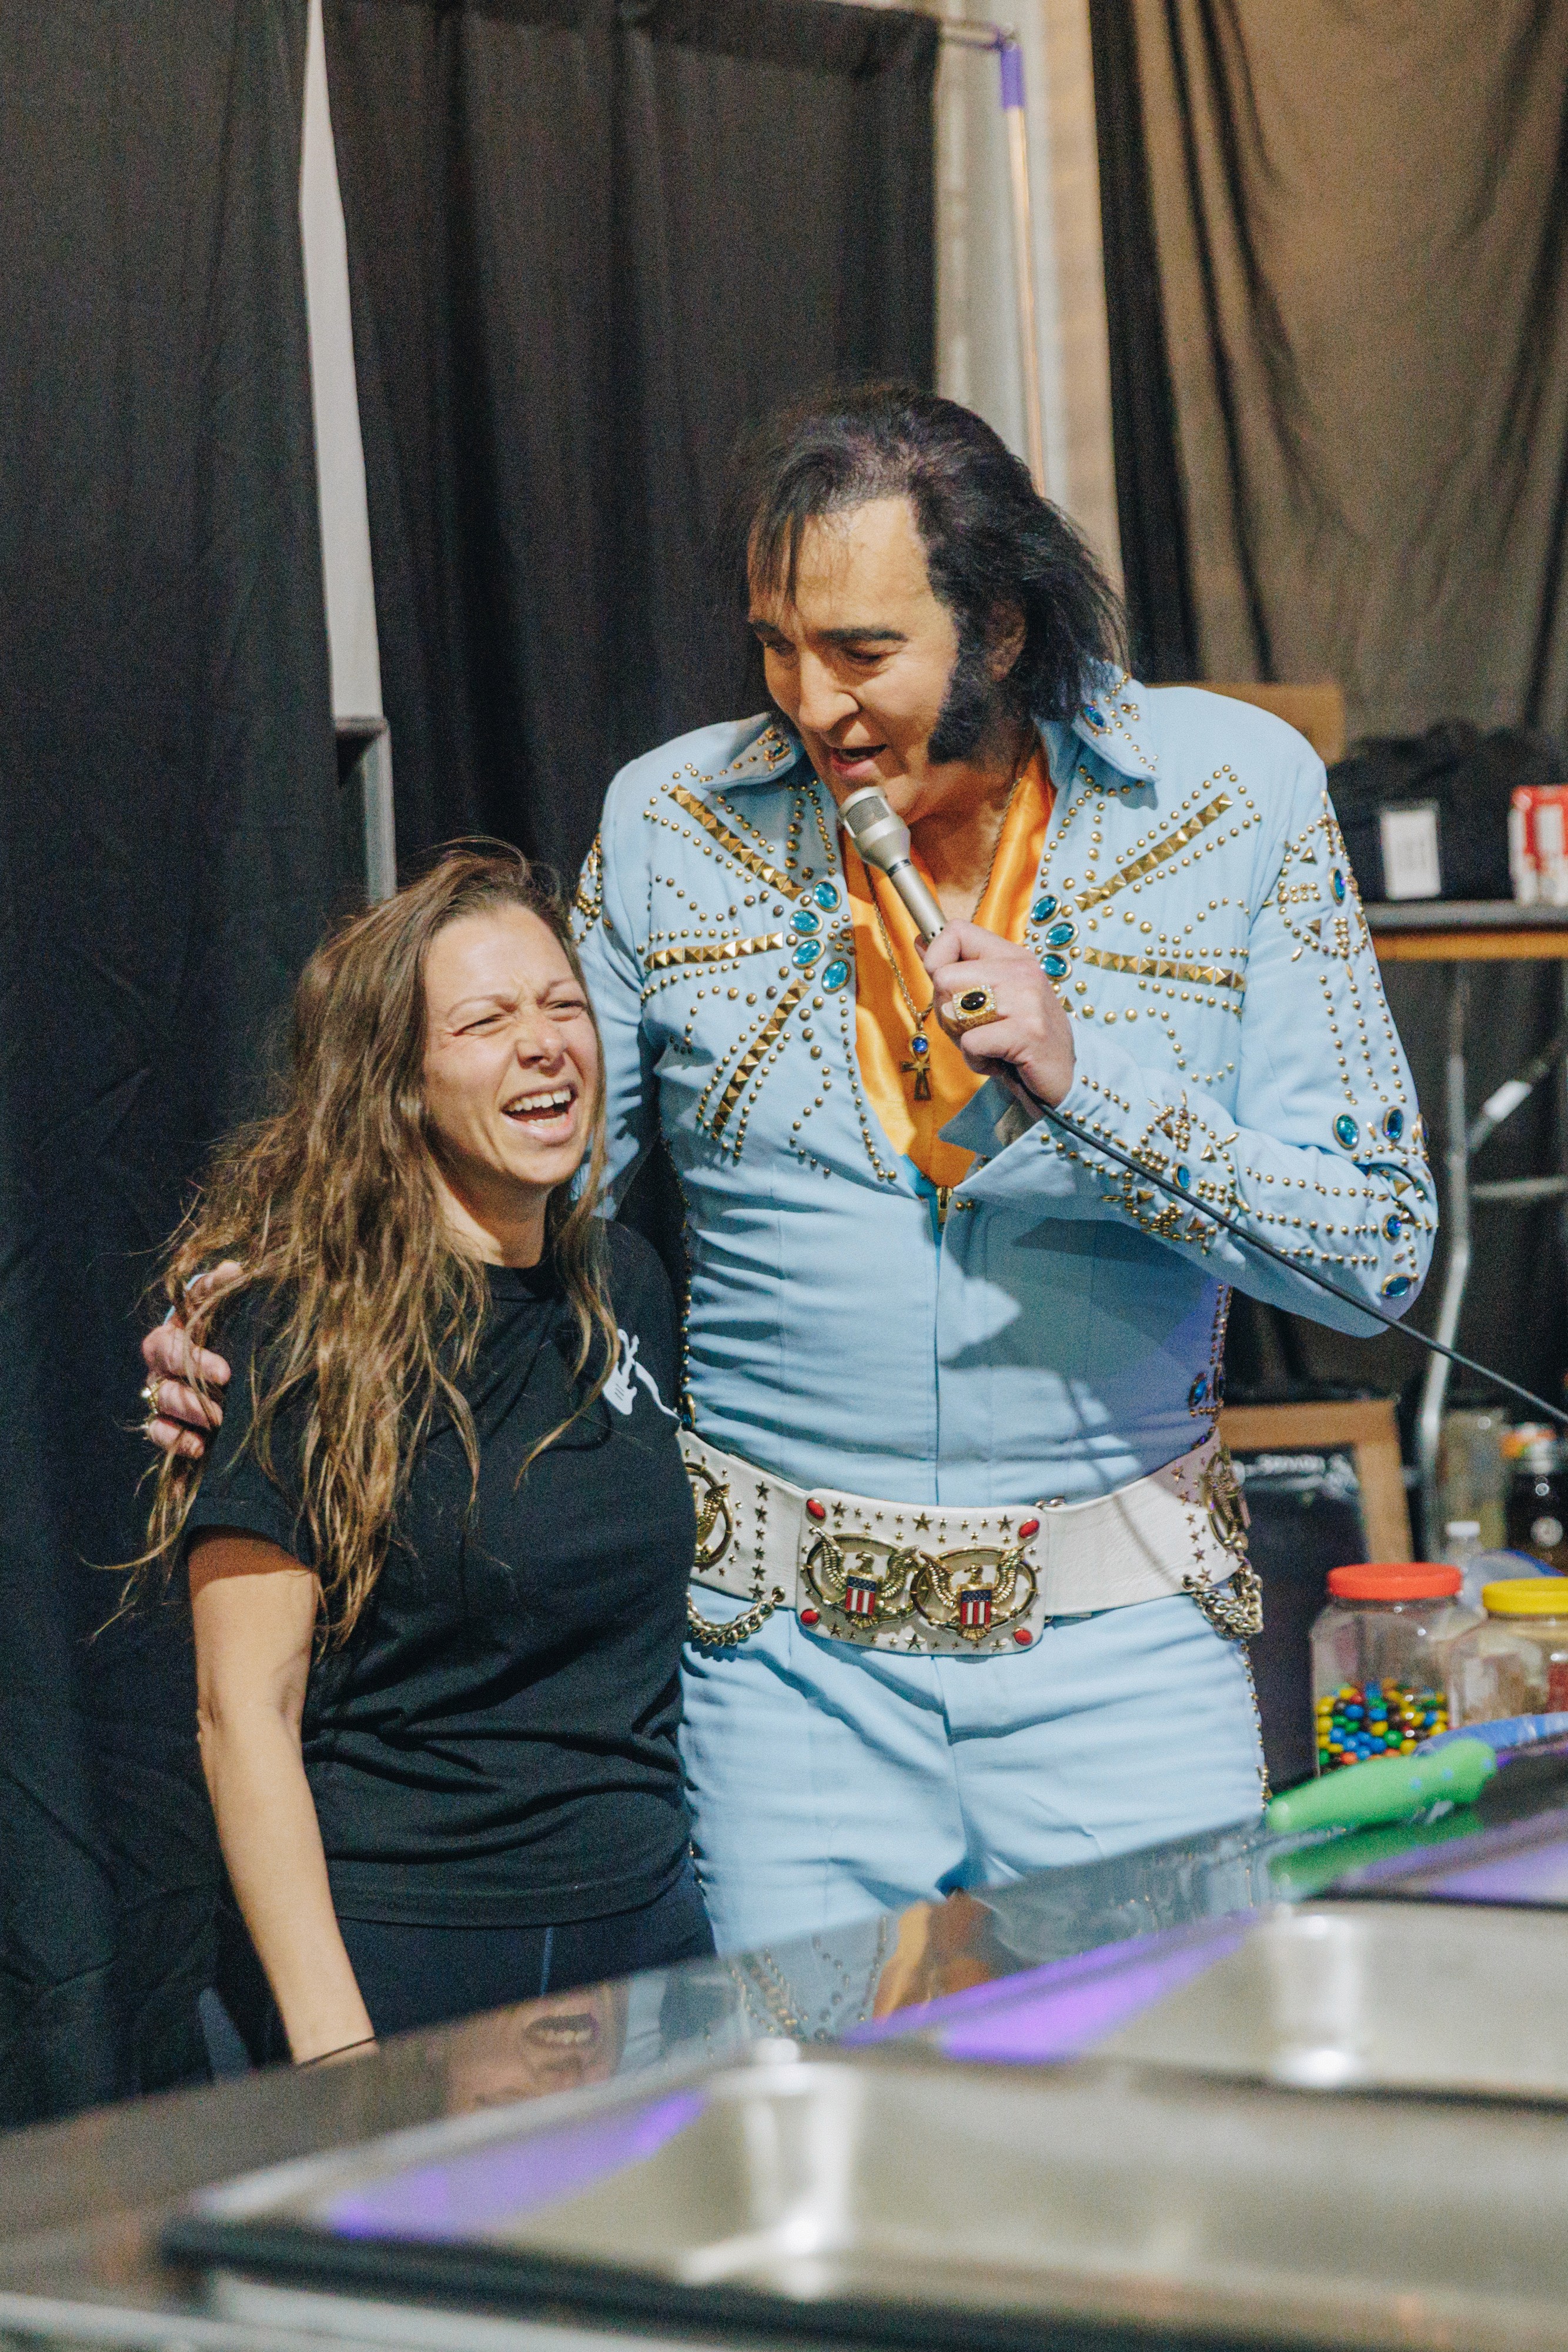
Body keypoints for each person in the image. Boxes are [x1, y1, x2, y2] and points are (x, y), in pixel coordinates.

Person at [145, 387, 1437, 1958]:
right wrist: (281, 1307)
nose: (813, 705)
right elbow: (528, 1188)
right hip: (782, 1675)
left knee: (1157, 2088)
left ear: (1002, 627)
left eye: (862, 652)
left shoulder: (1233, 794)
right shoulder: (673, 820)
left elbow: (1374, 1254)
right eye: (777, 647)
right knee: (786, 2101)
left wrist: (1086, 1079)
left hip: (1126, 1651)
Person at [129, 849, 711, 2062]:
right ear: (400, 1083)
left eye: (560, 1005)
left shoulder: (624, 1283)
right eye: (485, 1022)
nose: (542, 1045)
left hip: (644, 1948)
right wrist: (342, 2056)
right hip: (407, 1957)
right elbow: (243, 1713)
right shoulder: (297, 1329)